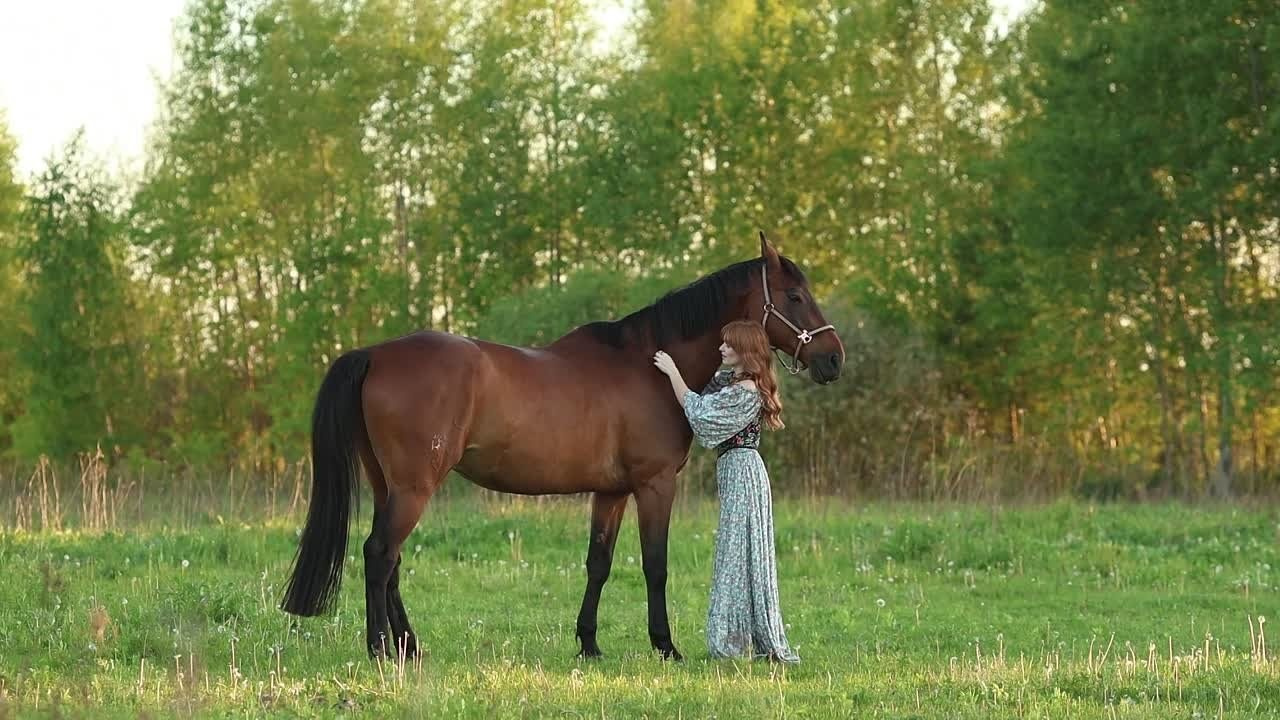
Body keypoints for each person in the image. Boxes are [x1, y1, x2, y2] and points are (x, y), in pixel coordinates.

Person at [652, 320, 800, 664]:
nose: (722, 348)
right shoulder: (733, 382)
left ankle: (735, 641)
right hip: (736, 470)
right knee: (737, 552)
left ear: (745, 350)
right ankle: (739, 635)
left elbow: (700, 413)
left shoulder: (746, 390)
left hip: (743, 472)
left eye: (728, 345)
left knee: (738, 551)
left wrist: (673, 371)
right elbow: (706, 386)